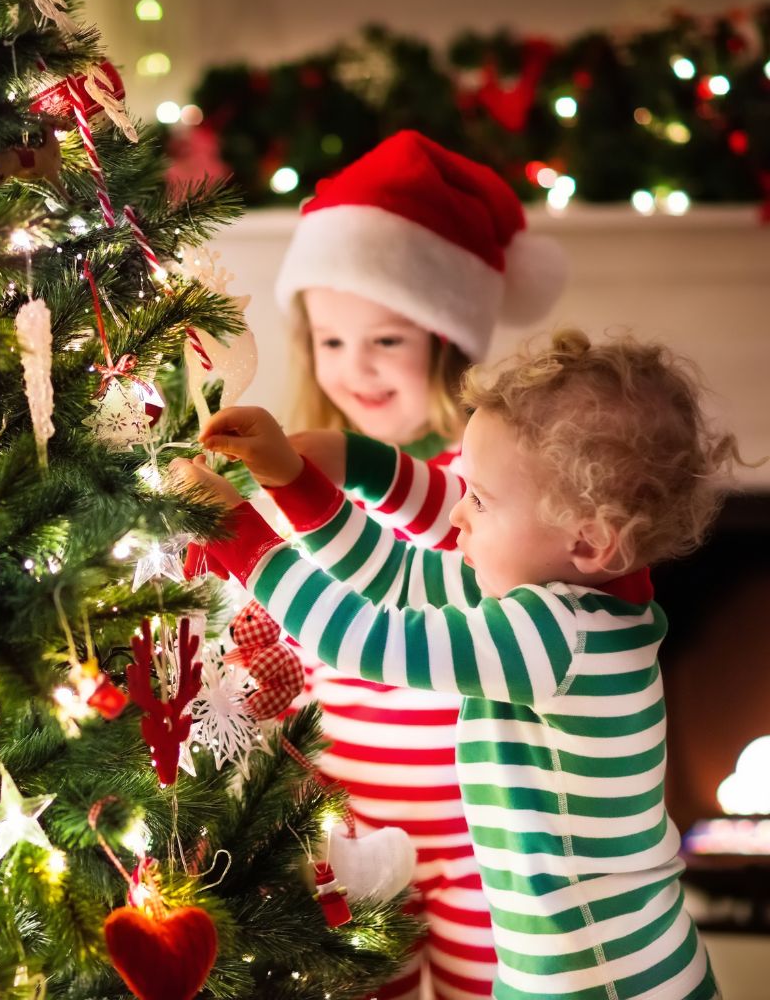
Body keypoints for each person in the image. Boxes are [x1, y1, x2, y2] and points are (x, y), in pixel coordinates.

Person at [173, 328, 736, 1000]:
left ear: (589, 541)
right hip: (561, 969)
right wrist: (300, 482)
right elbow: (398, 575)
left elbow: (366, 638)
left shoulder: (557, 638)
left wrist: (245, 538)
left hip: (606, 981)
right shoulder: (566, 598)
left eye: (482, 501)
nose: (457, 515)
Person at [271, 129, 565, 1000]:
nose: (353, 368)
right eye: (330, 342)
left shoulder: (483, 481)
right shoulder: (305, 484)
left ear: (444, 340)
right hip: (353, 818)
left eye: (386, 342)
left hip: (483, 826)